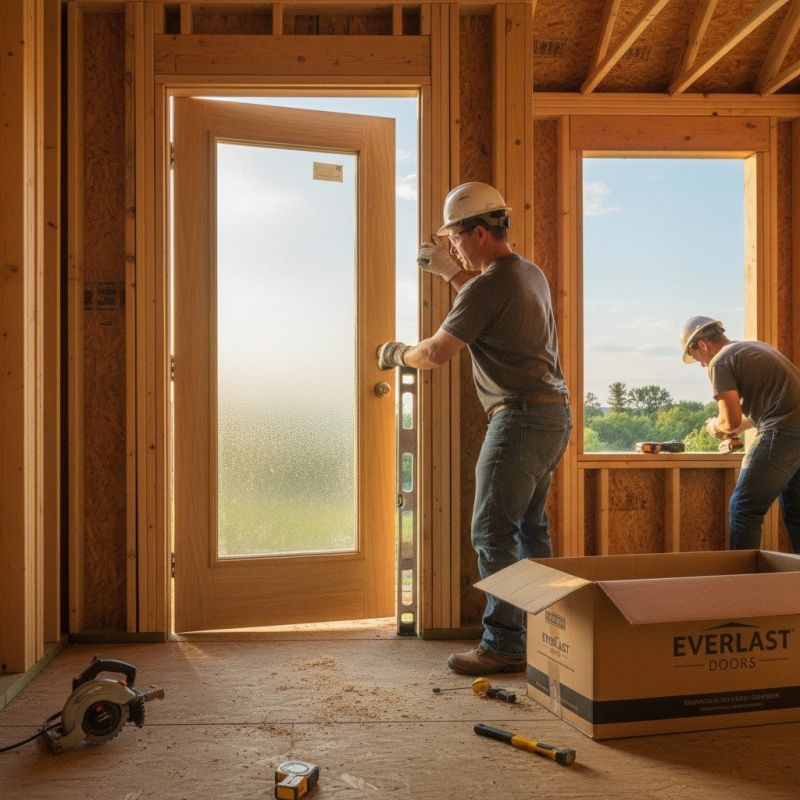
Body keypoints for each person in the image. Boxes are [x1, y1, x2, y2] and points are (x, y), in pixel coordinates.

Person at [378, 182, 571, 675]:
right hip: (552, 416)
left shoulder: (489, 285)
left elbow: (438, 353)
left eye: (456, 239)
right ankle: (546, 635)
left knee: (490, 530)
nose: (452, 248)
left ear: (479, 233)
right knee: (530, 528)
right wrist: (451, 273)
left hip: (520, 419)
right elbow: (486, 303)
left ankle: (504, 643)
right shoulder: (528, 274)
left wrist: (398, 353)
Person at [680, 315, 800, 553]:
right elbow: (764, 411)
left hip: (783, 433)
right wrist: (734, 427)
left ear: (703, 345)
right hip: (793, 431)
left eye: (696, 358)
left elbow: (730, 421)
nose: (702, 365)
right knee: (797, 511)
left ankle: (743, 584)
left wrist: (715, 427)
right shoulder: (754, 347)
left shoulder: (720, 361)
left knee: (743, 508)